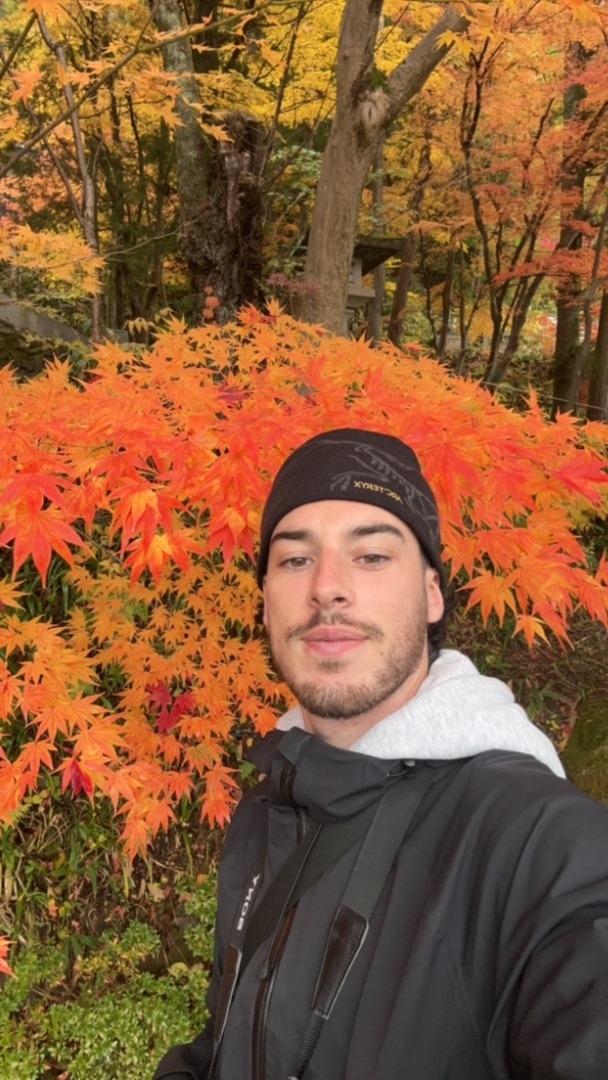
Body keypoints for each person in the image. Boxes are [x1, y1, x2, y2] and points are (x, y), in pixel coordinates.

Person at [153, 428, 608, 1080]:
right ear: (265, 601)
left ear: (432, 593)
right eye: (295, 559)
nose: (327, 588)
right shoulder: (266, 808)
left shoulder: (538, 843)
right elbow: (231, 1037)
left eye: (370, 555)